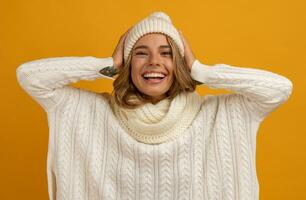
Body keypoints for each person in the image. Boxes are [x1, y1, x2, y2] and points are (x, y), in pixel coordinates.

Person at [16, 11, 293, 200]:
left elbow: (279, 89)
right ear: (127, 64)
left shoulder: (217, 115)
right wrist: (106, 66)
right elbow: (30, 77)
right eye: (140, 53)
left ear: (181, 63)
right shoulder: (89, 112)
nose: (154, 63)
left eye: (167, 53)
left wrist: (202, 70)